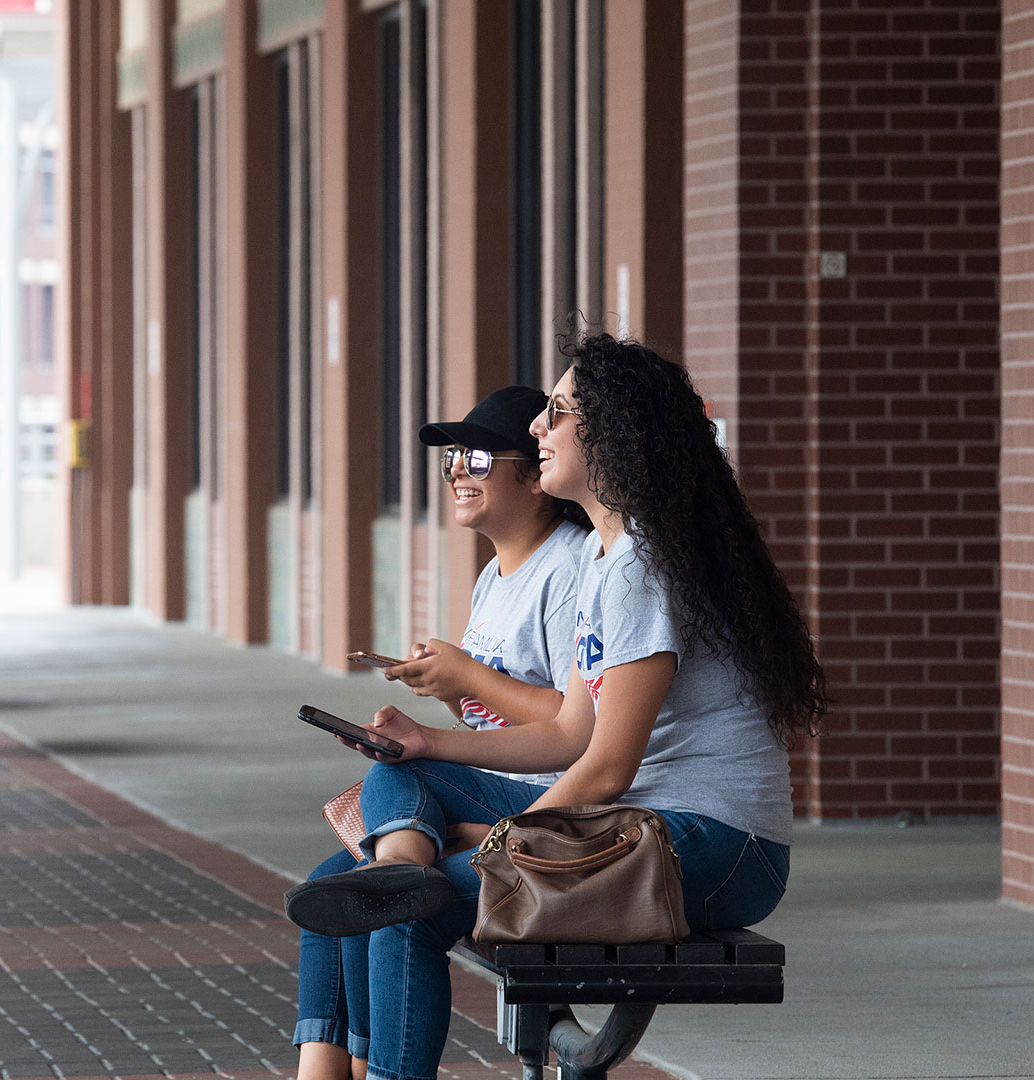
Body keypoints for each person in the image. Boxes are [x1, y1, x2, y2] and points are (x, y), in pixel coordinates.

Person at [284, 333, 827, 1080]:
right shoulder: (611, 557)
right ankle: (402, 867)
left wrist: (497, 844)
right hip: (652, 831)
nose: (538, 426)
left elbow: (605, 769)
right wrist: (430, 746)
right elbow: (571, 732)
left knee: (413, 915)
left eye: (559, 412)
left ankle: (407, 884)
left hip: (714, 848)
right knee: (399, 782)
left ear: (615, 434)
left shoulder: (638, 565)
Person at [291, 386, 592, 1080]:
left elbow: (574, 726)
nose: (459, 468)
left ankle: (397, 870)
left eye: (478, 455)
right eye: (454, 456)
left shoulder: (570, 567)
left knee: (398, 785)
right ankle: (327, 1068)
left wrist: (466, 679)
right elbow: (493, 718)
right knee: (331, 885)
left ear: (536, 473)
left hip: (554, 796)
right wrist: (451, 689)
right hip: (496, 785)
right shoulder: (494, 576)